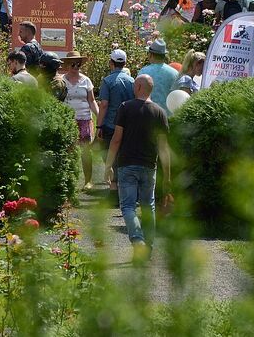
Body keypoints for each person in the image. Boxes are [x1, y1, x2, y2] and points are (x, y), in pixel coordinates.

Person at [104, 74, 173, 259]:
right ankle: (148, 247)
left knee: (127, 206)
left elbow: (116, 139)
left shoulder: (125, 108)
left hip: (127, 165)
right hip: (150, 166)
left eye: (135, 84)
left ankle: (138, 241)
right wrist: (167, 176)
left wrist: (108, 165)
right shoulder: (160, 112)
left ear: (139, 87)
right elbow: (164, 148)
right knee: (148, 205)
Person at [59, 51, 99, 188]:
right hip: (68, 119)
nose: (76, 66)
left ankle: (88, 181)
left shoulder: (86, 80)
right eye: (73, 64)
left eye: (78, 64)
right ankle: (69, 181)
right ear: (67, 64)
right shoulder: (62, 81)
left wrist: (99, 116)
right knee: (68, 150)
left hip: (84, 119)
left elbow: (92, 100)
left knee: (86, 151)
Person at [96, 50, 136, 180]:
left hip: (110, 125)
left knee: (110, 156)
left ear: (111, 63)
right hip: (128, 125)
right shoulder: (132, 81)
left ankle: (113, 185)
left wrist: (99, 126)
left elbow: (104, 104)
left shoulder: (107, 81)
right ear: (124, 63)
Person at [137, 39, 181, 116]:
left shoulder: (144, 72)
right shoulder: (174, 73)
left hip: (147, 115)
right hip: (167, 116)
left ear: (151, 55)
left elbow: (137, 94)